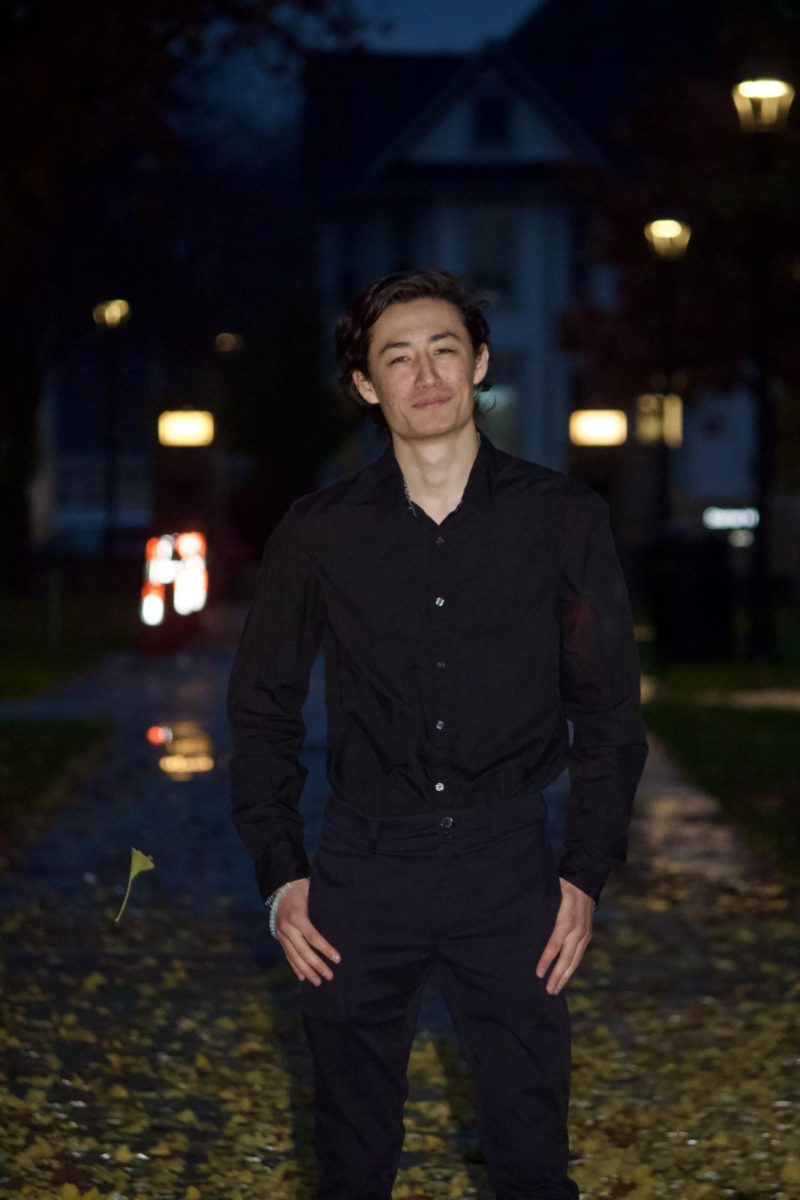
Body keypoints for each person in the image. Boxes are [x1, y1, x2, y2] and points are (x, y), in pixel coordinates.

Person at [227, 269, 648, 1200]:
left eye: (444, 350)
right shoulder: (319, 534)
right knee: (351, 1159)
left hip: (509, 867)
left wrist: (582, 871)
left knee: (534, 1158)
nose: (425, 375)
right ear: (366, 386)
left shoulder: (563, 520)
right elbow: (262, 707)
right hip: (360, 870)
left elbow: (611, 712)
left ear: (481, 364)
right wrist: (281, 876)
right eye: (398, 357)